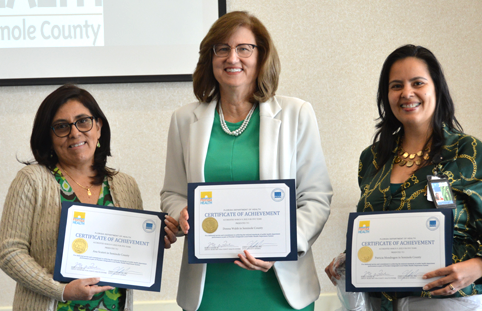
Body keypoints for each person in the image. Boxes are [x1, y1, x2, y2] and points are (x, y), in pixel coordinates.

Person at [161, 11, 333, 311]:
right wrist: (182, 212)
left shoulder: (297, 114)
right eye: (222, 48)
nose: (232, 58)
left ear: (261, 55)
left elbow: (316, 197)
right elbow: (172, 193)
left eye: (244, 48)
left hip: (280, 288)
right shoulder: (183, 120)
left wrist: (284, 247)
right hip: (209, 289)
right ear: (210, 57)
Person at [325, 45, 482, 311]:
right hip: (380, 303)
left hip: (453, 303)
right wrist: (352, 259)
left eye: (417, 82)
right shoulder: (372, 159)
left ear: (437, 89)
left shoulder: (471, 154)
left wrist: (481, 265)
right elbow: (380, 231)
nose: (407, 93)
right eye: (396, 86)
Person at [0, 85, 177, 311]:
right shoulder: (31, 181)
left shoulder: (125, 185)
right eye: (61, 127)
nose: (75, 133)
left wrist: (154, 242)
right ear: (49, 136)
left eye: (83, 121)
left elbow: (128, 252)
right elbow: (9, 252)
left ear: (99, 127)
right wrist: (61, 290)